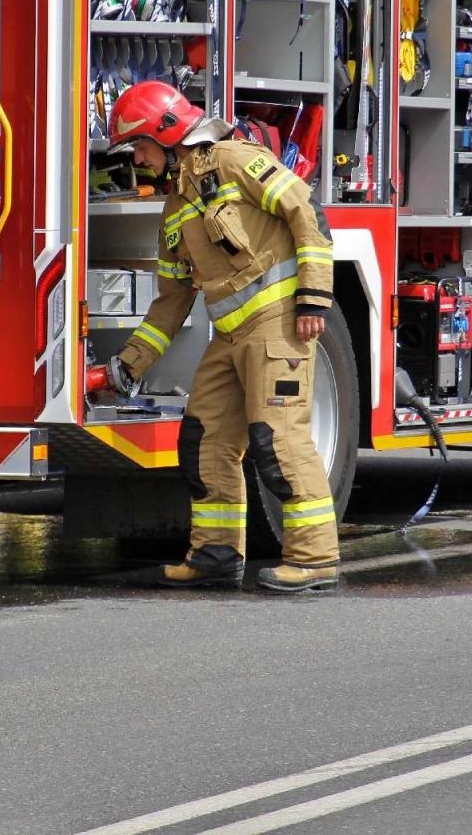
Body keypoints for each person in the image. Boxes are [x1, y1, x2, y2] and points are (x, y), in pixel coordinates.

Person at [104, 80, 341, 593]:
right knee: (203, 439)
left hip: (276, 324)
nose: (138, 159)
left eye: (140, 146)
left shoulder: (234, 160)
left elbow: (305, 212)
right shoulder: (175, 208)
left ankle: (315, 557)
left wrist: (313, 300)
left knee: (278, 441)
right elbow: (171, 300)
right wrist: (130, 364)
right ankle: (215, 554)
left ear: (167, 133)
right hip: (231, 335)